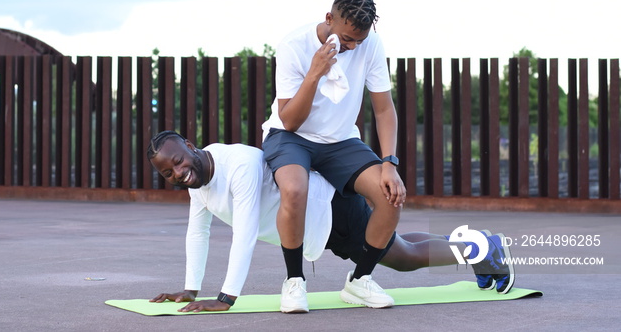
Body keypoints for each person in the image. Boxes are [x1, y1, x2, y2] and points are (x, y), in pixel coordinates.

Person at [148, 131, 514, 313]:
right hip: (319, 223)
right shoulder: (199, 185)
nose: (178, 173)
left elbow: (243, 233)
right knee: (398, 245)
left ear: (191, 148)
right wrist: (190, 289)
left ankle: (483, 249)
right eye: (168, 172)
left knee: (402, 258)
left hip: (330, 211)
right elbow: (197, 233)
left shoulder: (237, 164)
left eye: (179, 162)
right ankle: (478, 242)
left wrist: (226, 298)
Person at [261, 0, 405, 311]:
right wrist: (314, 73)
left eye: (359, 40)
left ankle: (359, 281)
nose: (352, 47)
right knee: (295, 190)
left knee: (390, 196)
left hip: (340, 140)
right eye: (347, 38)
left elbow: (384, 109)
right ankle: (294, 281)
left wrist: (389, 164)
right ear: (329, 19)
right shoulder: (293, 46)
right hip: (290, 136)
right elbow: (290, 120)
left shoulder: (370, 45)